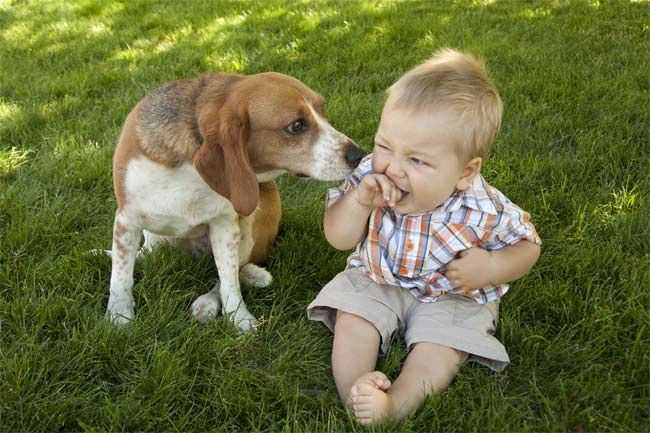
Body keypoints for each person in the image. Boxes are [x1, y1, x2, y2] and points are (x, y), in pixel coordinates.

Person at [307, 48, 542, 425]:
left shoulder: (482, 207)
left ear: (465, 172)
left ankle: (395, 405)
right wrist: (358, 203)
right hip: (378, 278)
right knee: (354, 317)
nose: (393, 168)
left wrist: (493, 266)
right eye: (385, 146)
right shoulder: (367, 178)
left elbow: (528, 244)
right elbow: (338, 237)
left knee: (441, 347)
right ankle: (356, 391)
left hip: (452, 295)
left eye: (417, 161)